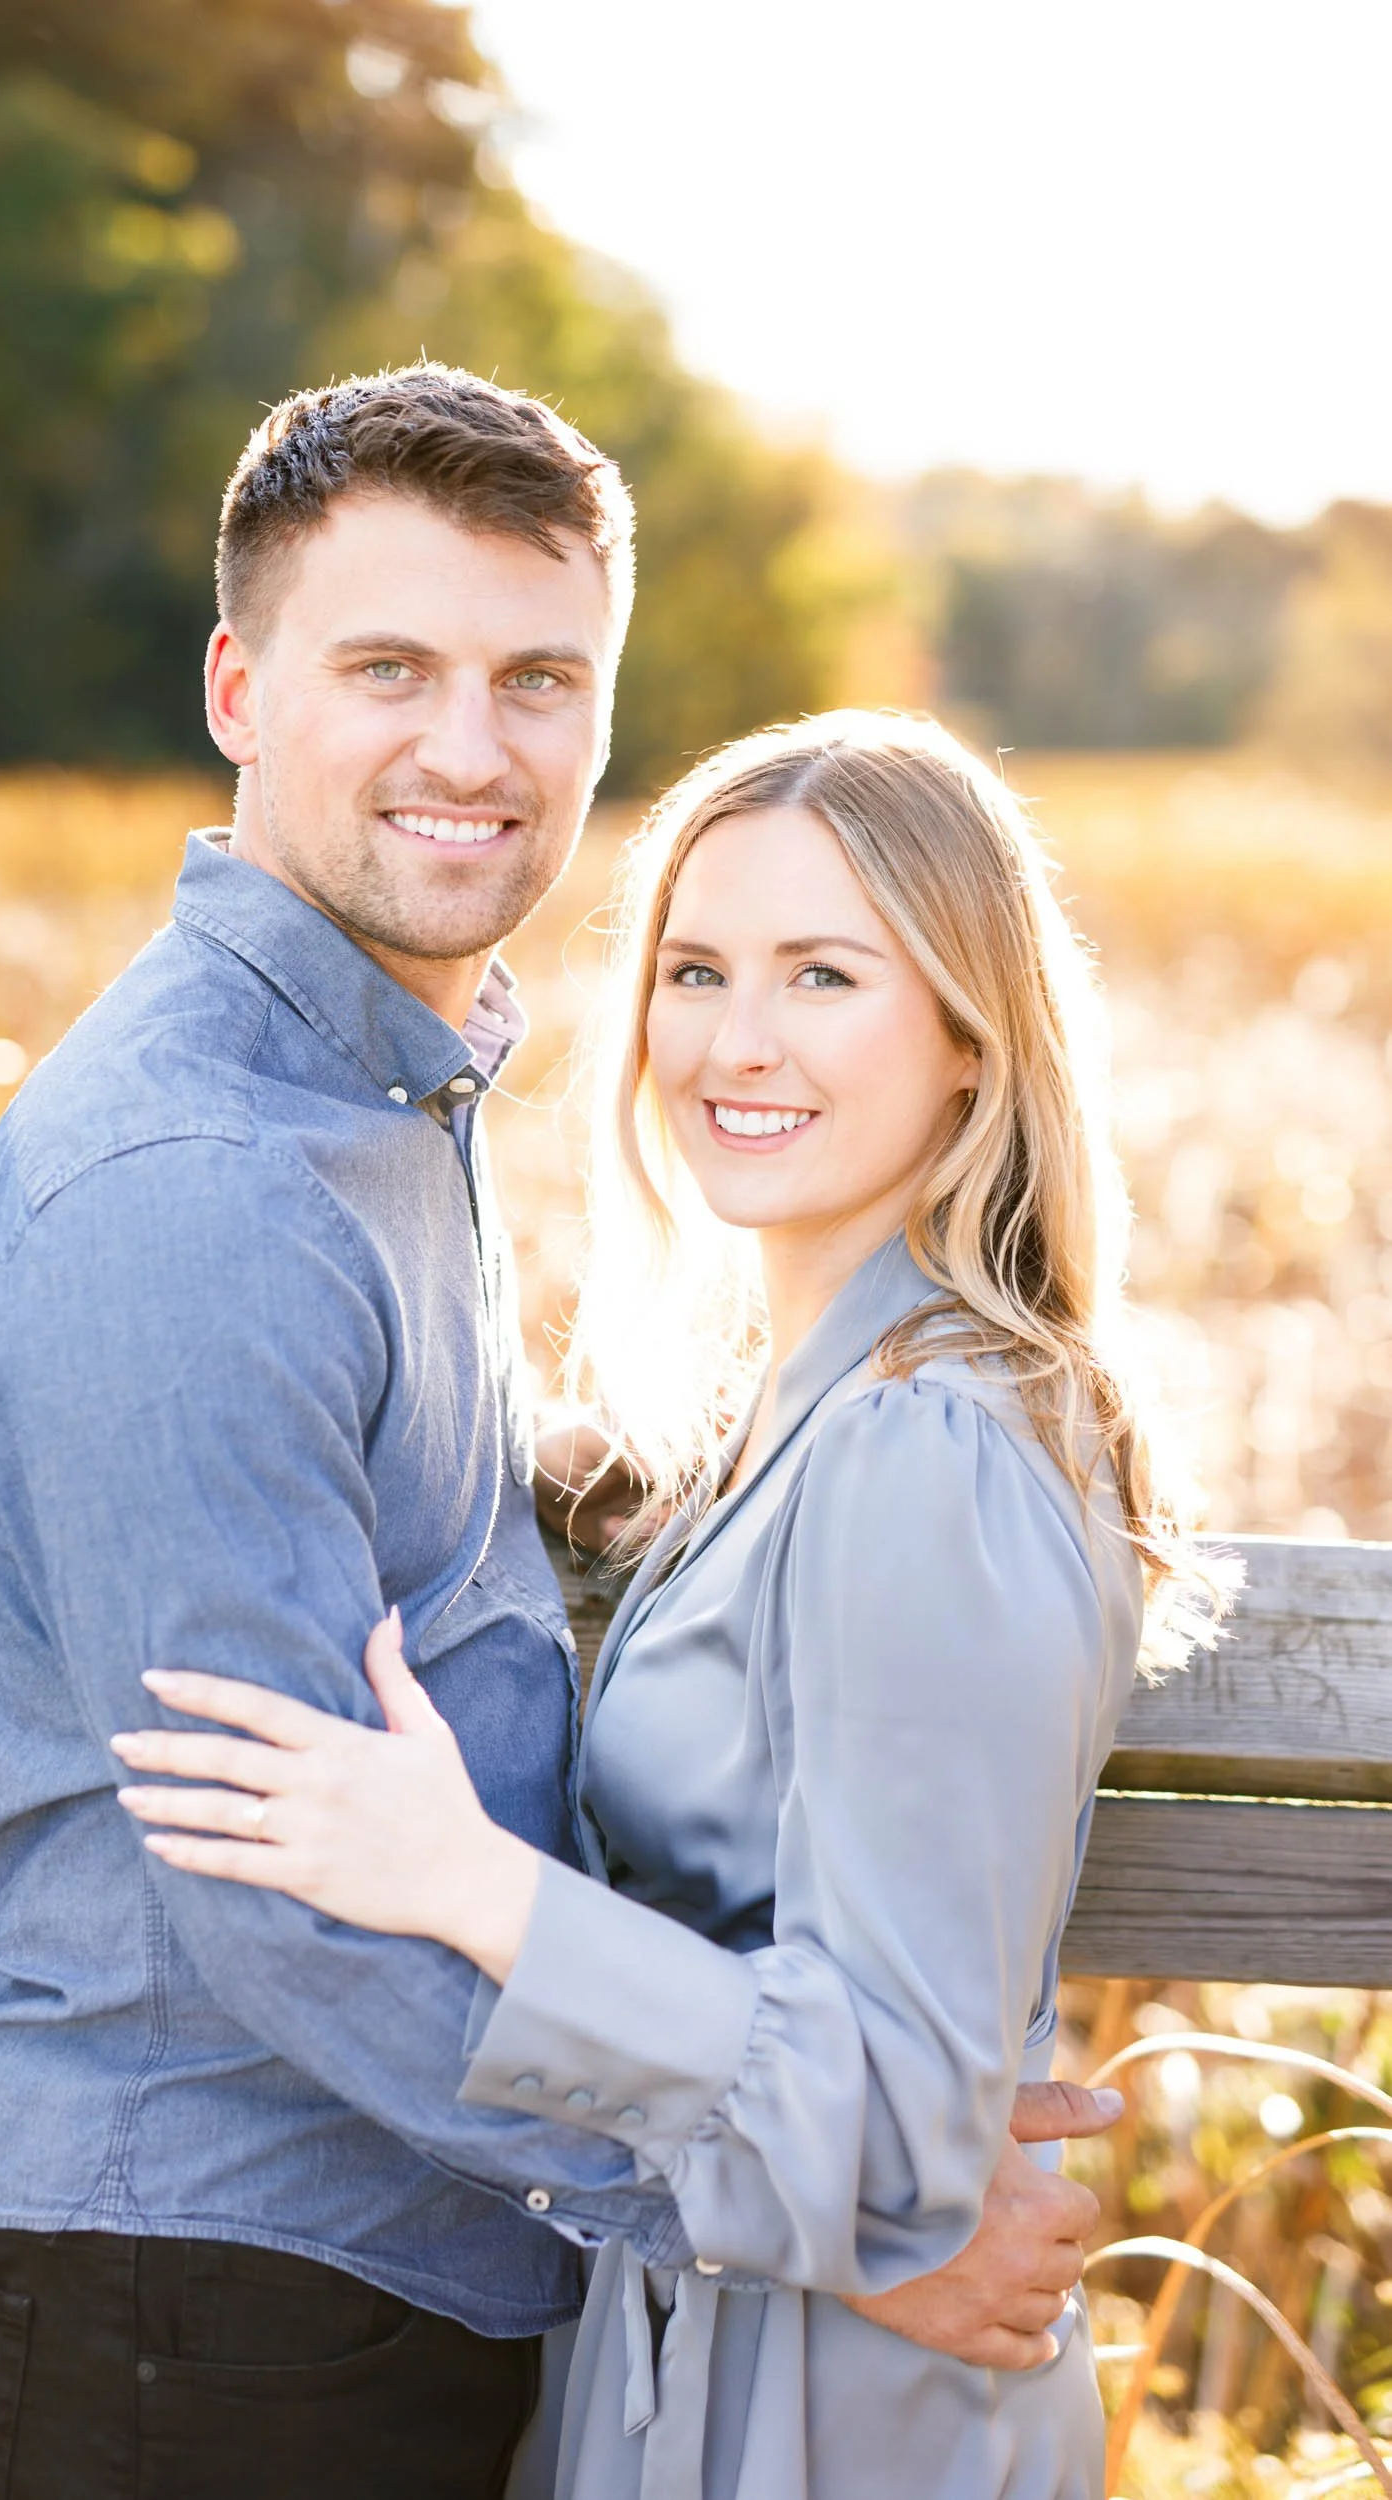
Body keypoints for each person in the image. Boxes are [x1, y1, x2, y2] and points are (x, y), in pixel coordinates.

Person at [0, 367, 1120, 2500]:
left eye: (537, 676)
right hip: (190, 2299)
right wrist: (832, 2220)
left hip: (375, 2297)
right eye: (389, 666)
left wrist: (596, 1489)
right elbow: (279, 1900)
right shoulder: (208, 1175)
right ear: (237, 685)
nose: (471, 746)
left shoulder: (385, 1108)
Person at [112, 710, 1228, 2499]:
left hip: (838, 2410)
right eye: (696, 969)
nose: (736, 1040)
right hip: (723, 2342)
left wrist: (471, 1888)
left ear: (968, 1037)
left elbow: (888, 2129)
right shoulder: (802, 1408)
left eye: (823, 974)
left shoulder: (925, 1448)